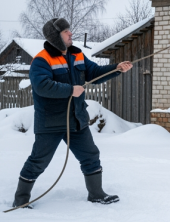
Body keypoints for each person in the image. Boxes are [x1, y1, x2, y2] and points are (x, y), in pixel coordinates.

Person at [12, 18, 132, 209]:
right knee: (38, 161)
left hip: (77, 120)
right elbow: (42, 86)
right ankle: (21, 200)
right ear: (55, 36)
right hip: (50, 122)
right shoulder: (42, 60)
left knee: (90, 155)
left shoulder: (77, 55)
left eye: (69, 30)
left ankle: (96, 194)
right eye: (66, 31)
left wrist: (116, 68)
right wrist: (70, 90)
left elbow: (95, 73)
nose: (71, 33)